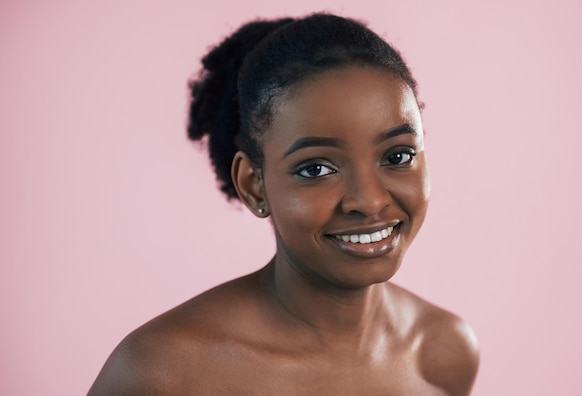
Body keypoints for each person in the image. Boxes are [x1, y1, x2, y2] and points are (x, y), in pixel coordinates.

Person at [88, 13, 479, 395]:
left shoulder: (444, 353)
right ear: (254, 185)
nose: (369, 200)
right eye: (316, 169)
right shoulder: (164, 372)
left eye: (398, 157)